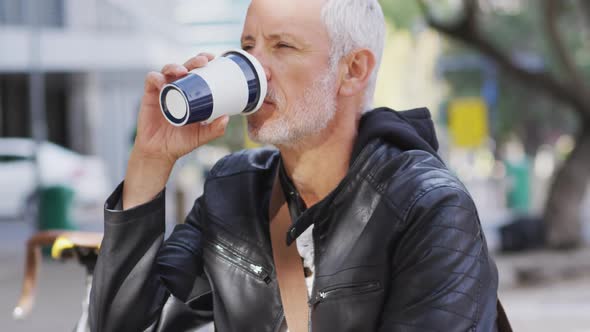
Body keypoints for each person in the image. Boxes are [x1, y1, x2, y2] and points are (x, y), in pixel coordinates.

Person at [89, 0, 501, 331]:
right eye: (248, 47)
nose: (256, 68)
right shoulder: (232, 190)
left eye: (282, 46)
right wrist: (151, 159)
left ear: (353, 70)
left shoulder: (429, 207)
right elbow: (122, 324)